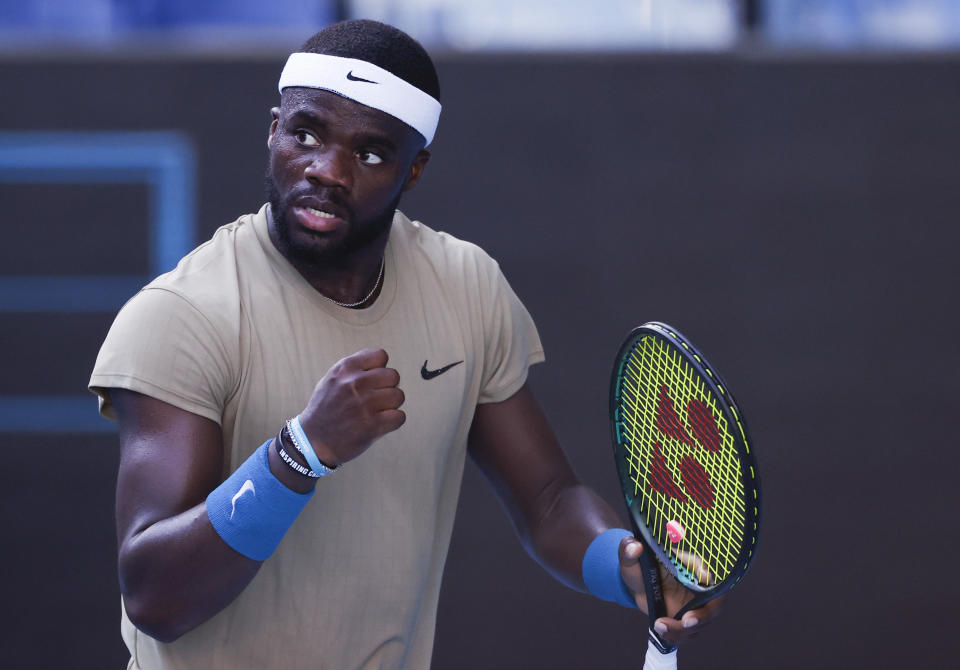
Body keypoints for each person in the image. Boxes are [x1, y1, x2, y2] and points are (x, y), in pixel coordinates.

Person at [89, 19, 722, 670]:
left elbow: (550, 501)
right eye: (306, 134)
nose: (327, 171)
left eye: (369, 153)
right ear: (273, 130)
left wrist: (624, 568)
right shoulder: (183, 315)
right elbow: (156, 597)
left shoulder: (466, 286)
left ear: (413, 169)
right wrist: (297, 455)